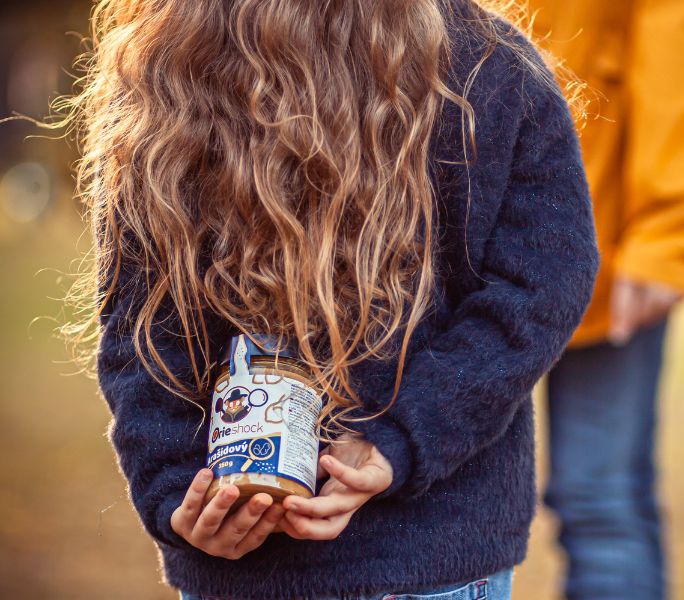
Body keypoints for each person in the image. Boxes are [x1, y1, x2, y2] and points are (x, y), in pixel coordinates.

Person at [72, 0, 598, 598]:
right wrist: (174, 495)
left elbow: (540, 288)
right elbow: (540, 292)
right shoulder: (497, 65)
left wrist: (402, 436)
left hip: (423, 554)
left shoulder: (492, 71)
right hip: (306, 559)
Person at [529, 1, 684, 598]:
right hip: (438, 216)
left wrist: (669, 228)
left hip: (595, 217)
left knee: (599, 503)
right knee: (400, 492)